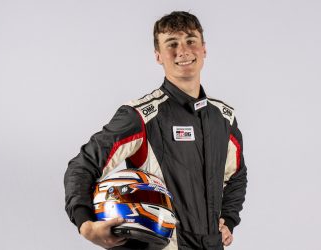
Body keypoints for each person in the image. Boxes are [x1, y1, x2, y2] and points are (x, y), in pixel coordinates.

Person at [64, 11, 247, 250]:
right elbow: (83, 165)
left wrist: (228, 220)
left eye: (190, 40)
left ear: (204, 49)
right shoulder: (140, 116)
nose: (183, 51)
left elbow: (236, 175)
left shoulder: (224, 117)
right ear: (158, 55)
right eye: (172, 44)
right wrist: (85, 224)